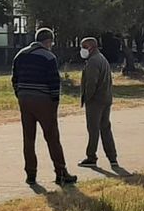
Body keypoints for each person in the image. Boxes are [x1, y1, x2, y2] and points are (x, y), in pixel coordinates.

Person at [12, 27, 75, 186]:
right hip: (43, 99)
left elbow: (15, 78)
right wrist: (54, 102)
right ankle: (61, 172)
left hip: (25, 98)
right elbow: (54, 82)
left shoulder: (20, 54)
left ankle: (31, 174)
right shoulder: (49, 57)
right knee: (52, 137)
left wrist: (20, 94)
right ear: (48, 41)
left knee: (28, 137)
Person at [78, 36, 118, 168]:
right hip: (106, 98)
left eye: (83, 47)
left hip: (96, 101)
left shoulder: (93, 61)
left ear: (90, 47)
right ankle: (112, 157)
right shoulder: (102, 59)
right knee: (105, 128)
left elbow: (91, 83)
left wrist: (87, 98)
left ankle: (91, 157)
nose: (82, 50)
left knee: (93, 129)